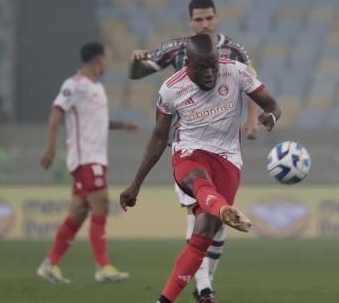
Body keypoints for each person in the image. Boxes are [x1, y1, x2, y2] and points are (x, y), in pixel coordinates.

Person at [120, 34, 281, 303]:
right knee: (197, 179)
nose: (209, 74)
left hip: (228, 159)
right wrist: (136, 183)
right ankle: (222, 209)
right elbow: (159, 138)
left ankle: (167, 299)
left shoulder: (237, 72)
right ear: (187, 63)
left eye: (212, 66)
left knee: (204, 233)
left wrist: (271, 116)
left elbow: (272, 104)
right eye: (201, 67)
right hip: (189, 153)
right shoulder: (172, 89)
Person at [37, 42, 138, 283]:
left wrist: (123, 125)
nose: (106, 63)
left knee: (79, 212)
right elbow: (55, 114)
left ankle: (49, 264)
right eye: (105, 59)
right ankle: (102, 266)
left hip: (96, 158)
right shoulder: (75, 85)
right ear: (99, 59)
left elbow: (100, 121)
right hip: (85, 158)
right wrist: (50, 150)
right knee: (101, 204)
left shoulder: (97, 88)